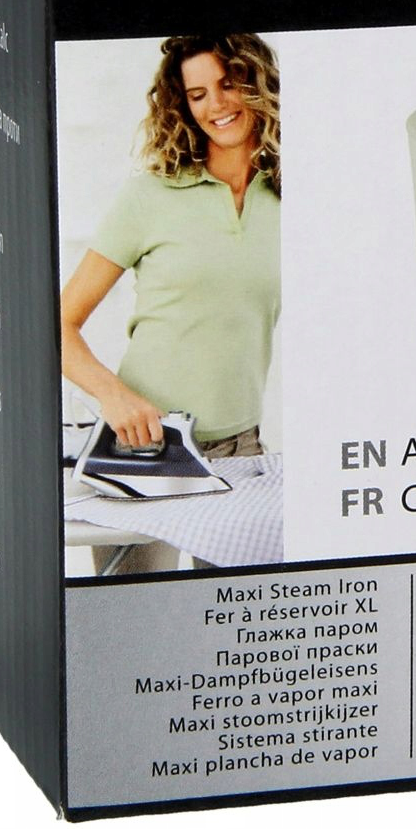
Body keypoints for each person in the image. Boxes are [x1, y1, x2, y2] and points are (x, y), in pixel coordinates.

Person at [62, 34, 282, 572]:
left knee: (234, 614)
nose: (217, 105)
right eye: (198, 94)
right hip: (141, 449)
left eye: (230, 84)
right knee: (132, 614)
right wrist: (114, 398)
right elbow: (57, 324)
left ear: (259, 85)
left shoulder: (292, 199)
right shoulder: (150, 196)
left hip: (242, 453)